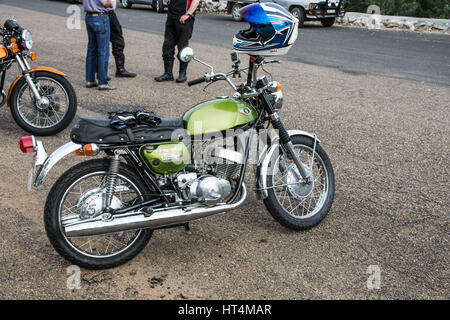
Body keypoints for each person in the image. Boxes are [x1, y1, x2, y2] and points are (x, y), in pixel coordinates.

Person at [155, 0, 200, 83]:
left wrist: (188, 14)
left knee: (182, 47)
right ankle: (168, 73)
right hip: (172, 16)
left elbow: (196, 0)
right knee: (167, 45)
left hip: (185, 18)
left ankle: (182, 74)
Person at [83, 0, 116, 90]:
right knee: (103, 51)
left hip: (89, 16)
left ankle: (89, 80)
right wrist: (110, 4)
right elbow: (105, 3)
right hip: (100, 16)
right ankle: (102, 82)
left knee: (91, 50)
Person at [106, 0, 136, 78]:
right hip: (105, 12)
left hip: (108, 13)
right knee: (105, 42)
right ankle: (102, 72)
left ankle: (120, 69)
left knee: (117, 40)